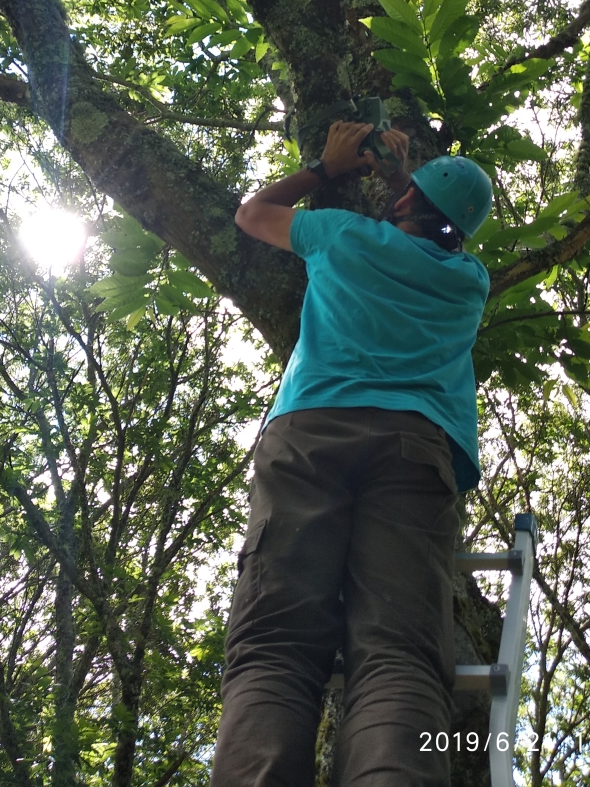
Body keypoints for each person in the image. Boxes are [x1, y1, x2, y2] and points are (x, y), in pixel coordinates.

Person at [211, 119, 493, 787]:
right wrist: (402, 180)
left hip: (311, 435)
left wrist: (328, 167)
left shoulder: (340, 235)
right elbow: (427, 223)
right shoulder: (470, 281)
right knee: (400, 657)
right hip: (416, 449)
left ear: (399, 204)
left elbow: (253, 215)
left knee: (275, 646)